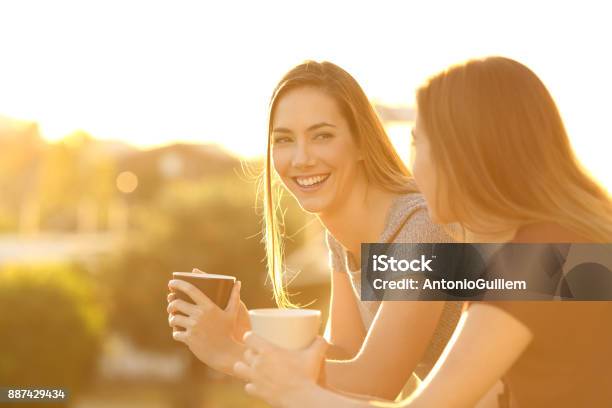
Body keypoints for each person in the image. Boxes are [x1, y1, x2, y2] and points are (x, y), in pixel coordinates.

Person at [235, 56, 612, 407]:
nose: (411, 169)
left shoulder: (536, 259)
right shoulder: (559, 245)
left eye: (418, 143)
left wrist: (296, 389)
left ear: (467, 152)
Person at [166, 61, 464, 401]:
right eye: (284, 140)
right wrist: (247, 335)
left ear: (362, 141)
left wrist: (232, 354)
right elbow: (349, 358)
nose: (301, 158)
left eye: (322, 136)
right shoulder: (339, 234)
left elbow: (378, 381)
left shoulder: (420, 228)